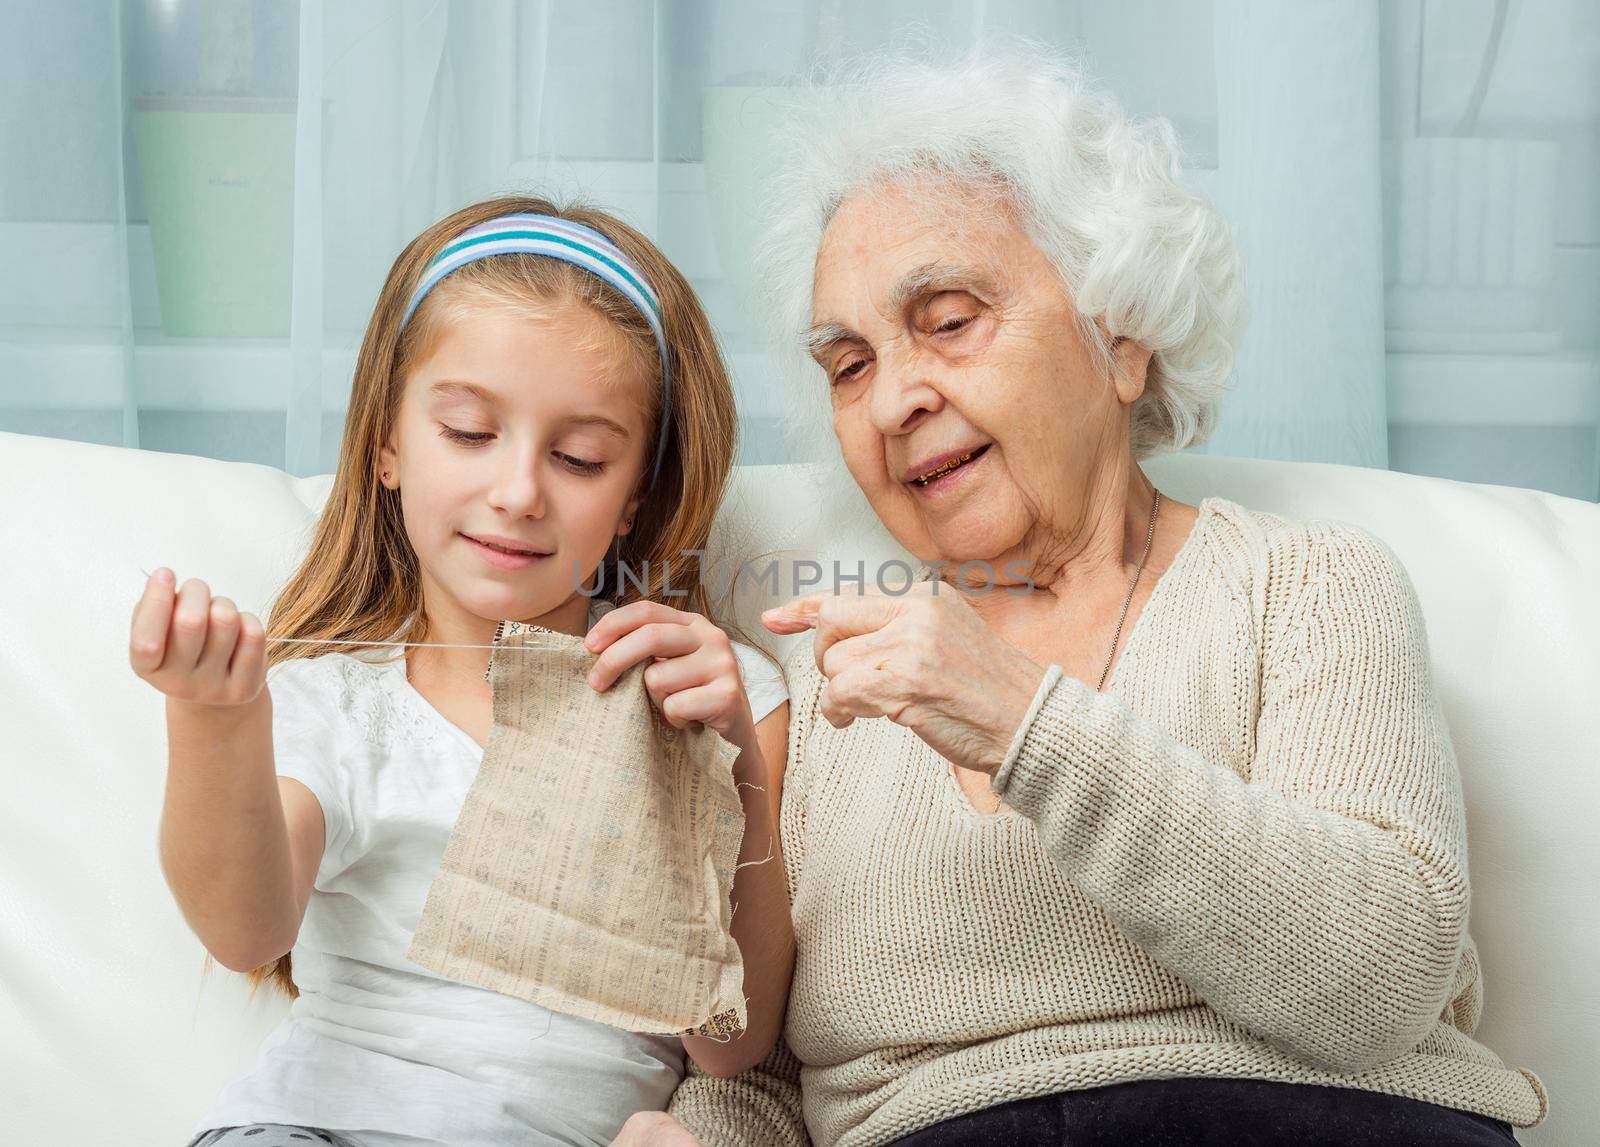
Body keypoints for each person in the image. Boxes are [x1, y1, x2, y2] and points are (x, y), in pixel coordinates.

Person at [613, 40, 1547, 1147]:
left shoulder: (1306, 584)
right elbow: (757, 1075)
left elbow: (1382, 971)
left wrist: (1022, 720)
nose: (894, 398)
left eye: (948, 320)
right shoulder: (819, 690)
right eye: (849, 363)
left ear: (1122, 336)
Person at [128, 195, 795, 1147]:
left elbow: (731, 1047)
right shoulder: (344, 700)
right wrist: (214, 721)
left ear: (636, 491)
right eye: (471, 434)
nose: (518, 491)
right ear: (388, 447)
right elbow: (245, 929)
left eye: (578, 456)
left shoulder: (720, 693)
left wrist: (727, 765)